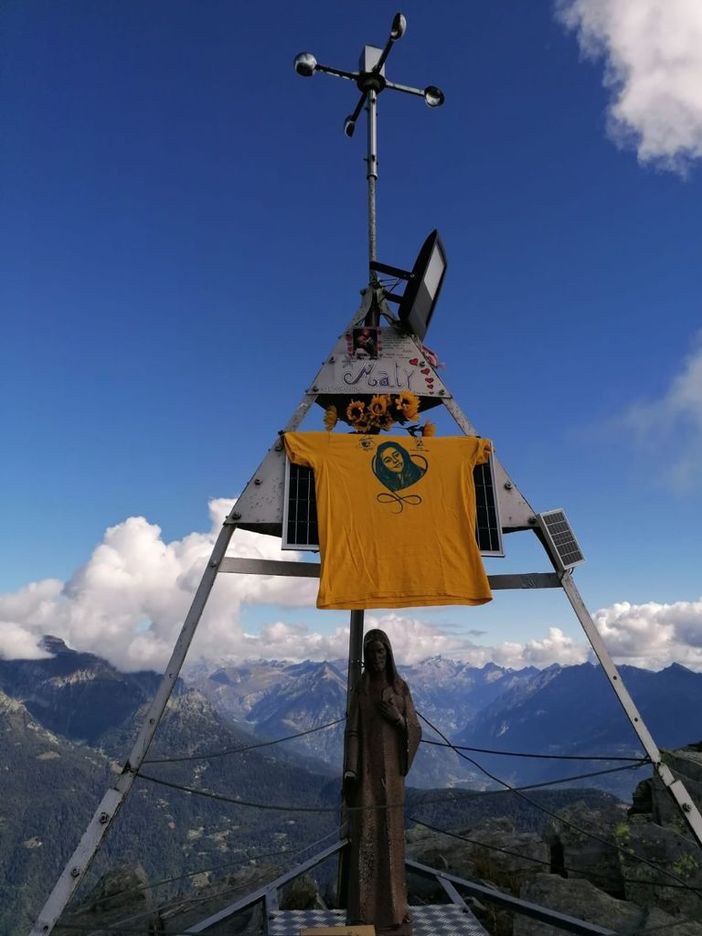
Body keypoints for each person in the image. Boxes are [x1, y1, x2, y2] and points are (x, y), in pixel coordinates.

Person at [343, 629, 421, 935]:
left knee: (392, 839)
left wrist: (397, 719)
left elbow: (415, 730)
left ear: (388, 654)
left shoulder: (401, 689)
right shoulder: (361, 692)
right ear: (365, 656)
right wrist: (351, 768)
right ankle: (364, 911)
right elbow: (352, 732)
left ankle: (395, 909)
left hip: (393, 779)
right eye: (371, 652)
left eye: (381, 652)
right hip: (366, 773)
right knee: (367, 835)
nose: (376, 657)